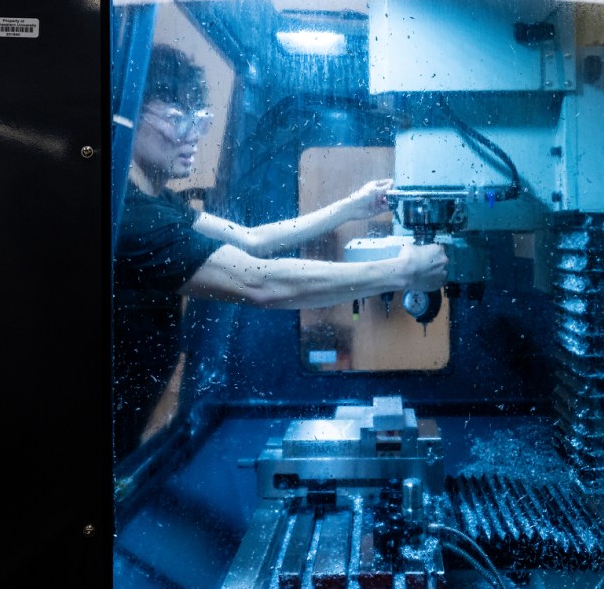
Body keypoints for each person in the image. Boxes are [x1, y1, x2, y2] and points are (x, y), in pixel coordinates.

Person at [113, 44, 447, 460]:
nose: (193, 135)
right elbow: (260, 282)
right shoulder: (131, 217)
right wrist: (402, 272)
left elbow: (252, 240)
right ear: (124, 117)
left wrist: (352, 207)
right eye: (177, 118)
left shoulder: (159, 203)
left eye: (200, 119)